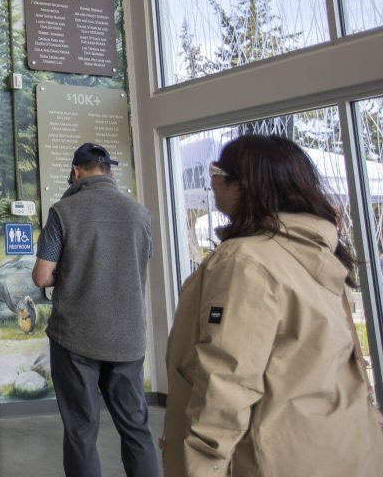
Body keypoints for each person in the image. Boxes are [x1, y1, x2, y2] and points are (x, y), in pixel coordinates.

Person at [164, 135, 383, 476]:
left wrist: (204, 466)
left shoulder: (245, 259)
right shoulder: (320, 249)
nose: (212, 180)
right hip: (342, 443)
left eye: (219, 171)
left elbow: (227, 378)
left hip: (272, 454)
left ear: (244, 185)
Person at [32, 142, 159, 477]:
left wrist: (71, 269)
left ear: (76, 172)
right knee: (136, 427)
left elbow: (42, 275)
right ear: (109, 171)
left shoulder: (64, 211)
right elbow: (136, 262)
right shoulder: (140, 214)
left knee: (81, 430)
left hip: (76, 337)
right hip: (128, 338)